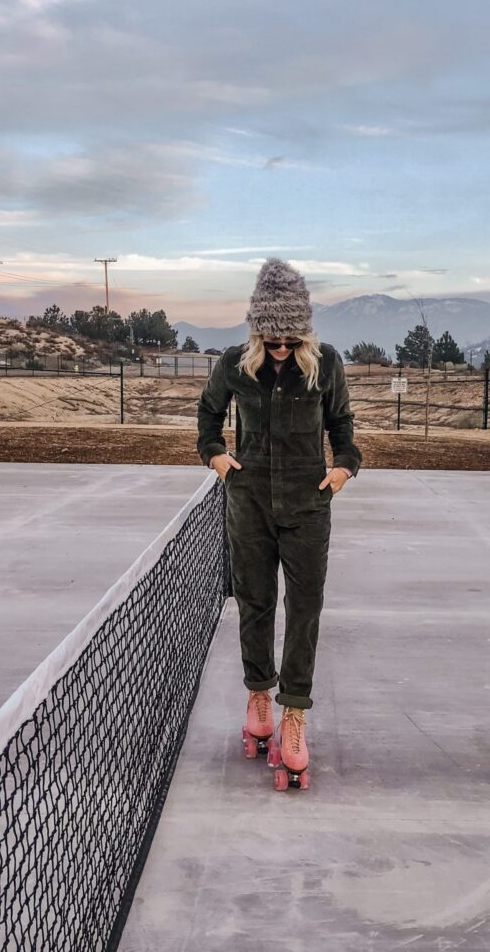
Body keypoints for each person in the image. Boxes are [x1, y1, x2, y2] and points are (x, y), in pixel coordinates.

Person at [196, 258, 362, 788]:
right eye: (273, 339)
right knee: (255, 601)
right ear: (257, 331)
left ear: (305, 332)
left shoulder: (327, 363)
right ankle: (258, 699)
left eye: (291, 338)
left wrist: (342, 468)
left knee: (306, 606)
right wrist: (217, 456)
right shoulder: (233, 365)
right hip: (249, 503)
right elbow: (208, 416)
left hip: (308, 504)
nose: (282, 348)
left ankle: (294, 715)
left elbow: (342, 424)